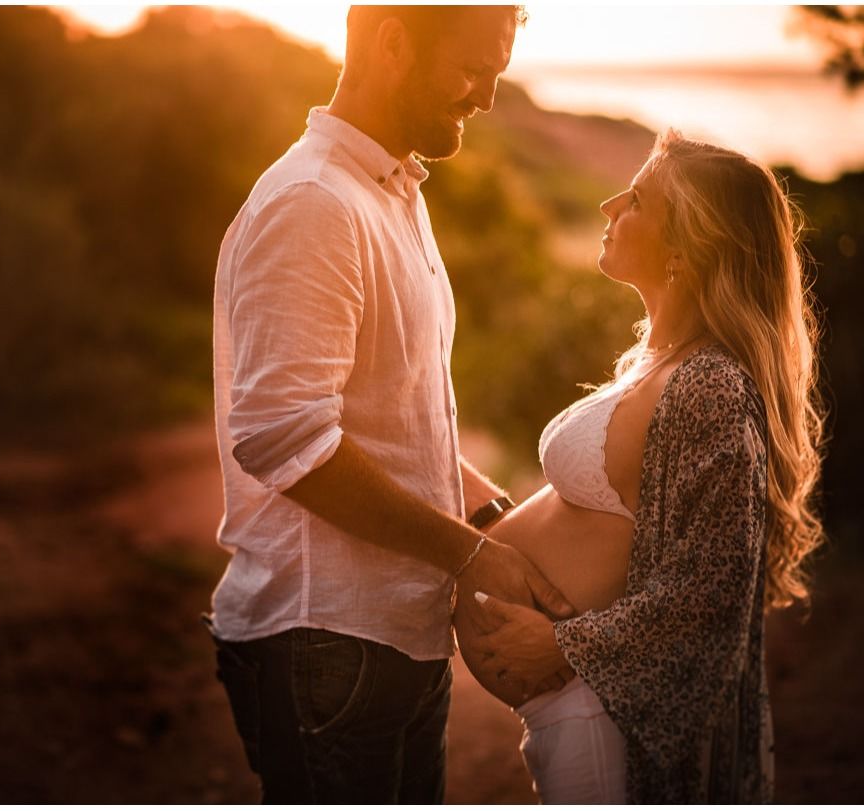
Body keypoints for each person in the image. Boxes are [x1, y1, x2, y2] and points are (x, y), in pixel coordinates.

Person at [206, 5, 573, 804]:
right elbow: (284, 439)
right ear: (393, 42)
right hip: (325, 642)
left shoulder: (393, 193)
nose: (485, 97)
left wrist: (490, 514)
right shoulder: (313, 204)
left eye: (498, 72)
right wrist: (470, 555)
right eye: (473, 67)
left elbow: (390, 414)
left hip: (394, 637)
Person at [454, 130, 825, 803]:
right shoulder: (658, 364)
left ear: (685, 250)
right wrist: (488, 524)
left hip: (602, 717)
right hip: (572, 710)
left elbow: (714, 588)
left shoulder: (709, 382)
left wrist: (565, 646)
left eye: (638, 199)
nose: (607, 205)